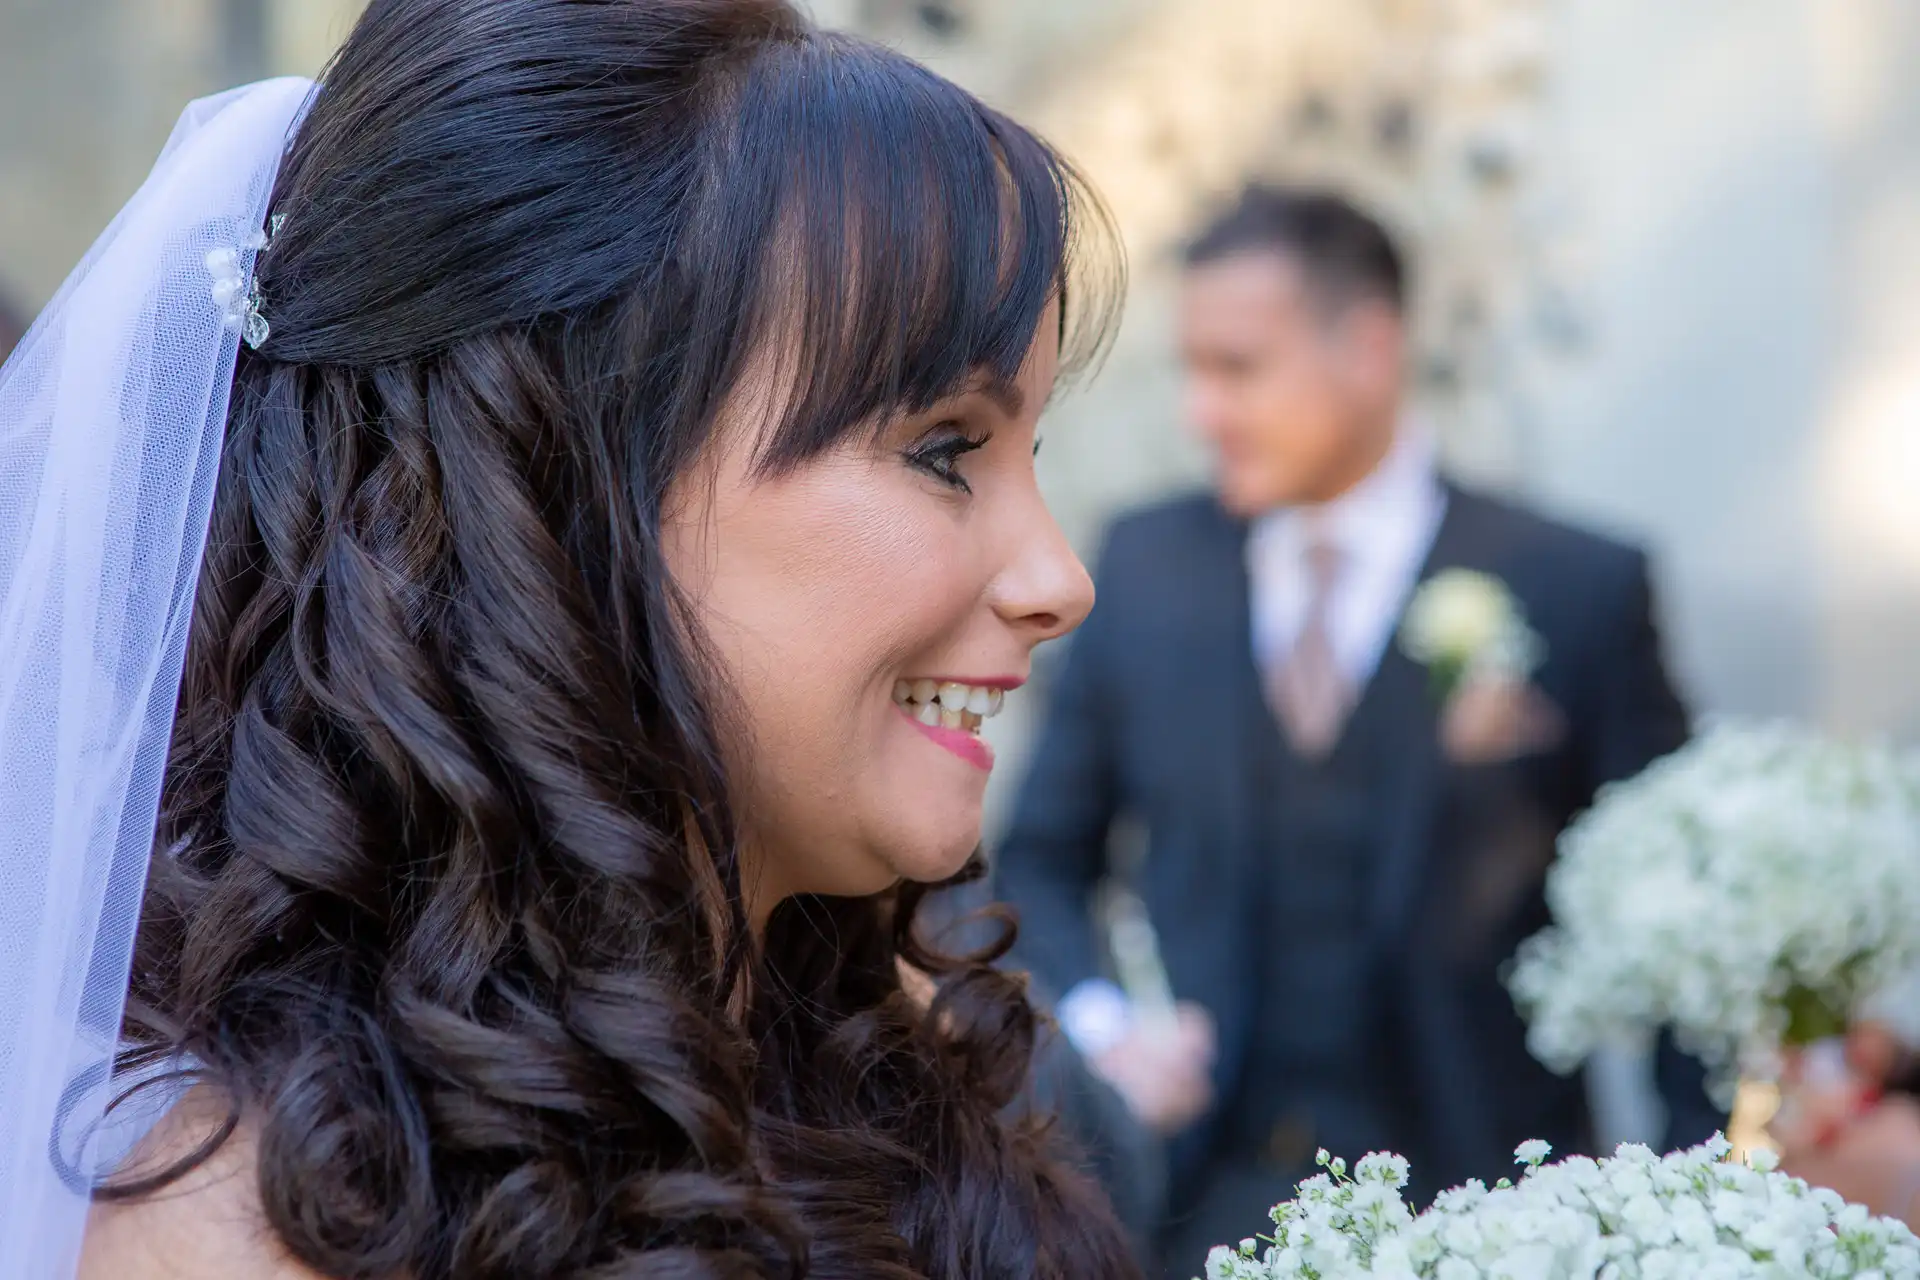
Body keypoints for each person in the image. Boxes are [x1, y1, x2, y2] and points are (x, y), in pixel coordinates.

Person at [0, 1, 1145, 1276]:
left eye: (1031, 451)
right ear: (560, 485)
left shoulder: (907, 1070)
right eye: (943, 449)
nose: (1060, 580)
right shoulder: (254, 1228)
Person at [992, 185, 1722, 1274]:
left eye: (1238, 368)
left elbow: (1677, 921)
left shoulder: (1576, 585)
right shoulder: (1141, 566)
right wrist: (1103, 1031)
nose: (1201, 411)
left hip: (1492, 1217)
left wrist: (1693, 1209)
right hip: (1189, 1214)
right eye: (1191, 371)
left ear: (1370, 349)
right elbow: (1039, 859)